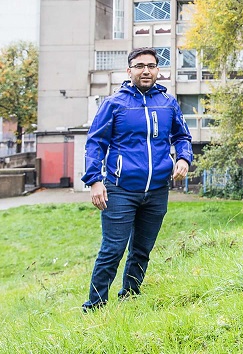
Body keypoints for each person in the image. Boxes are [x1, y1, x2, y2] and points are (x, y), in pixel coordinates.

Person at [81, 48, 193, 310]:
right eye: (140, 66)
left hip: (157, 191)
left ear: (158, 71)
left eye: (151, 66)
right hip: (120, 189)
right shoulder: (114, 104)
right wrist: (95, 180)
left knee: (142, 249)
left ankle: (130, 294)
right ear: (129, 70)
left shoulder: (168, 103)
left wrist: (183, 158)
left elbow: (182, 136)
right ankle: (95, 306)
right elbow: (95, 143)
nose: (146, 70)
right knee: (112, 250)